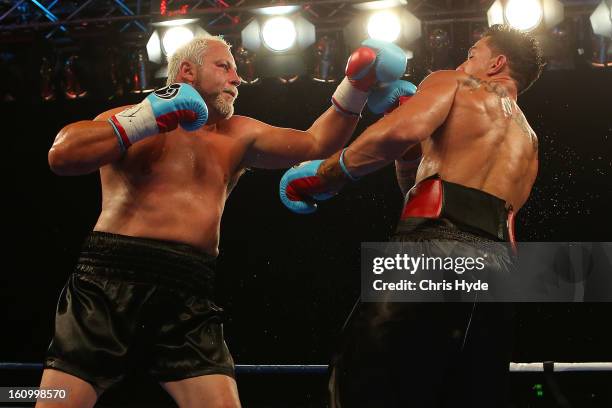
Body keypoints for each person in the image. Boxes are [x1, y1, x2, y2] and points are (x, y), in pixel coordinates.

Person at [40, 35, 409, 408]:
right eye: (224, 67)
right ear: (188, 71)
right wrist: (144, 120)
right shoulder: (131, 116)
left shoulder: (239, 135)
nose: (237, 78)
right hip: (108, 281)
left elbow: (316, 142)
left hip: (189, 289)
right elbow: (62, 155)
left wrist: (356, 86)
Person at [280, 24, 545, 407]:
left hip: (432, 250)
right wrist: (410, 155)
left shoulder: (453, 82)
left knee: (359, 382)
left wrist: (327, 173)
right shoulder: (529, 139)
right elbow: (422, 187)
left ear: (497, 62)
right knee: (457, 395)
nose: (462, 62)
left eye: (472, 54)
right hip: (500, 275)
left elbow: (398, 132)